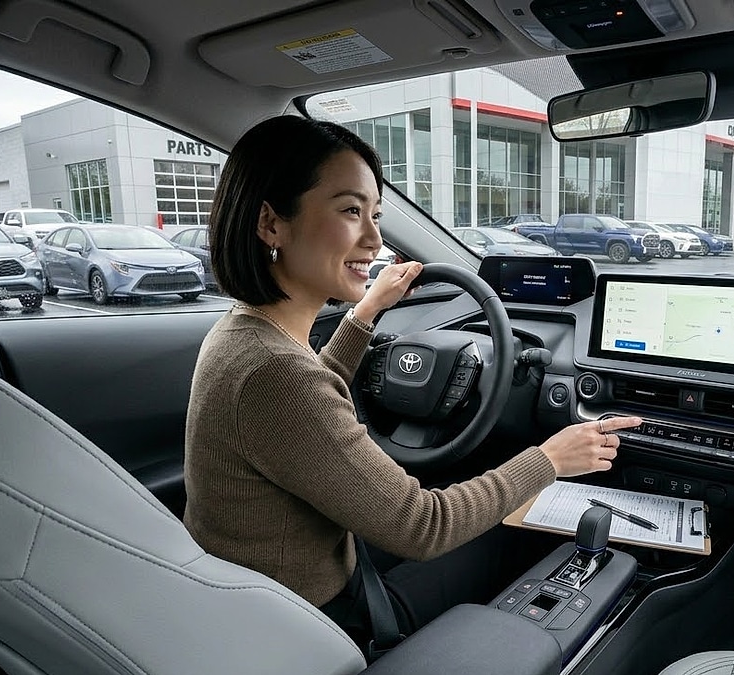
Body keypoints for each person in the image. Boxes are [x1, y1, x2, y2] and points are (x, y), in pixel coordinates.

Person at [182, 115, 641, 650]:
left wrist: (365, 314)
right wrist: (551, 460)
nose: (375, 240)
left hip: (262, 598)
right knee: (517, 533)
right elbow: (424, 526)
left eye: (375, 215)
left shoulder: (245, 333)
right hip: (319, 621)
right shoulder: (275, 372)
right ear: (270, 223)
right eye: (351, 211)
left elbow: (310, 409)